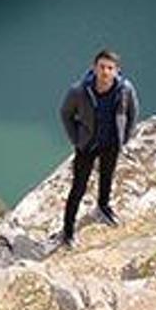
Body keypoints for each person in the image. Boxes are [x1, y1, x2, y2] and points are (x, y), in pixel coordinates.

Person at [58, 49, 139, 249]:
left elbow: (133, 112)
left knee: (107, 176)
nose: (105, 72)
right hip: (87, 145)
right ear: (94, 68)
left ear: (116, 71)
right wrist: (76, 139)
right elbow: (65, 113)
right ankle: (68, 232)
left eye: (109, 68)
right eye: (101, 67)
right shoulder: (79, 91)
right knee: (78, 188)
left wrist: (125, 137)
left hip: (111, 142)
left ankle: (103, 207)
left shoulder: (125, 89)